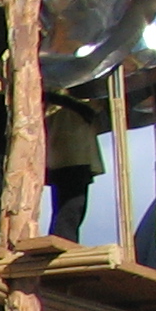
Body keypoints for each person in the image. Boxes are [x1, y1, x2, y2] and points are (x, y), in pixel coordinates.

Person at [44, 93, 106, 242]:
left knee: (72, 203)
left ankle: (63, 239)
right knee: (72, 203)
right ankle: (62, 240)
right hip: (70, 145)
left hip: (72, 144)